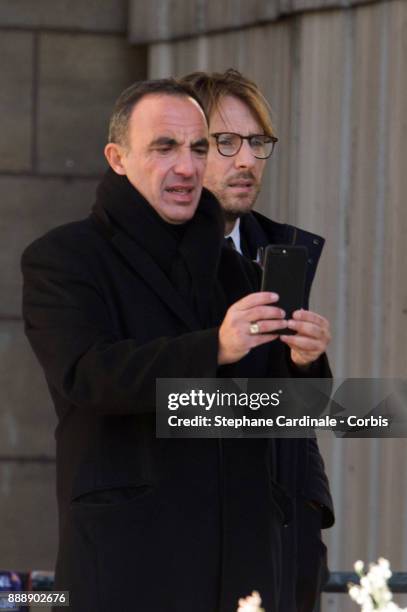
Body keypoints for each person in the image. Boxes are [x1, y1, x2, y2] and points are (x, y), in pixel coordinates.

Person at [21, 78, 330, 612]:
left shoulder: (238, 261)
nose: (187, 167)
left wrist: (306, 364)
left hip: (245, 564)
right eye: (165, 147)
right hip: (130, 564)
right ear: (118, 158)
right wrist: (214, 347)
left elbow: (281, 416)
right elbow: (87, 375)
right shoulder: (64, 257)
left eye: (197, 148)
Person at [182, 69, 335, 612]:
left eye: (257, 143)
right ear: (187, 149)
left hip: (287, 518)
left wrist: (307, 364)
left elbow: (303, 413)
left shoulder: (283, 249)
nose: (246, 160)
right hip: (193, 532)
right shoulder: (151, 255)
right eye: (226, 143)